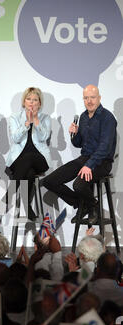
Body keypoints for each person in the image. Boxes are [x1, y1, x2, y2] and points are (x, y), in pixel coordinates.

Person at [43, 85, 117, 225]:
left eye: (92, 97)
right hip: (84, 158)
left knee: (78, 185)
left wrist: (89, 165)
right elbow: (79, 144)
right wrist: (74, 135)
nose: (89, 101)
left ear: (99, 98)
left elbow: (105, 147)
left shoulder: (107, 118)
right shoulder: (83, 117)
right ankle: (83, 204)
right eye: (86, 98)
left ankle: (93, 207)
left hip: (102, 162)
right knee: (49, 181)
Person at [6, 87, 52, 220]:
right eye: (28, 99)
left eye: (35, 100)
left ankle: (11, 192)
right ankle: (27, 207)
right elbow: (16, 138)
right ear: (24, 102)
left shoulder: (45, 118)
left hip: (40, 159)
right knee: (29, 173)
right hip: (19, 160)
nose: (31, 103)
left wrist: (36, 120)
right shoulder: (14, 118)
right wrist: (26, 124)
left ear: (39, 103)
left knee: (30, 157)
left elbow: (44, 137)